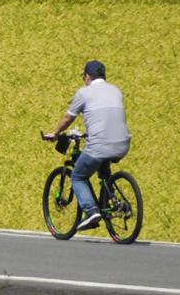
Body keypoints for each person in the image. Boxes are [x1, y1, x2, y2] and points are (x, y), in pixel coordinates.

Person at [42, 59, 130, 233]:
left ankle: (91, 212)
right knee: (103, 171)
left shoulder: (84, 93)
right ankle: (114, 201)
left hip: (99, 145)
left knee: (77, 177)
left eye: (84, 77)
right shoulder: (116, 91)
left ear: (88, 77)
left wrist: (56, 133)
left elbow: (68, 118)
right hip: (123, 143)